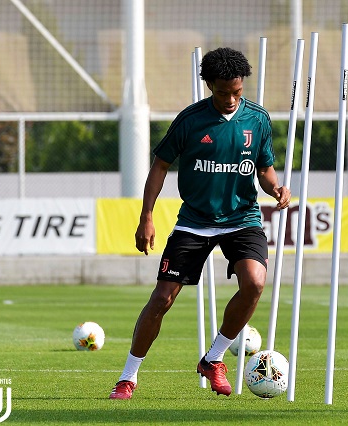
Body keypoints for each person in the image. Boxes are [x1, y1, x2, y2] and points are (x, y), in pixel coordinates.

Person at [109, 47, 290, 399]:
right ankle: (128, 377)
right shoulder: (190, 120)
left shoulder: (258, 119)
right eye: (223, 92)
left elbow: (265, 169)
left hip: (242, 218)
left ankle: (214, 358)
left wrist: (276, 188)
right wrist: (146, 216)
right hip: (194, 222)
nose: (230, 99)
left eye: (237, 91)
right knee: (161, 299)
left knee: (254, 282)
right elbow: (160, 165)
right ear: (208, 84)